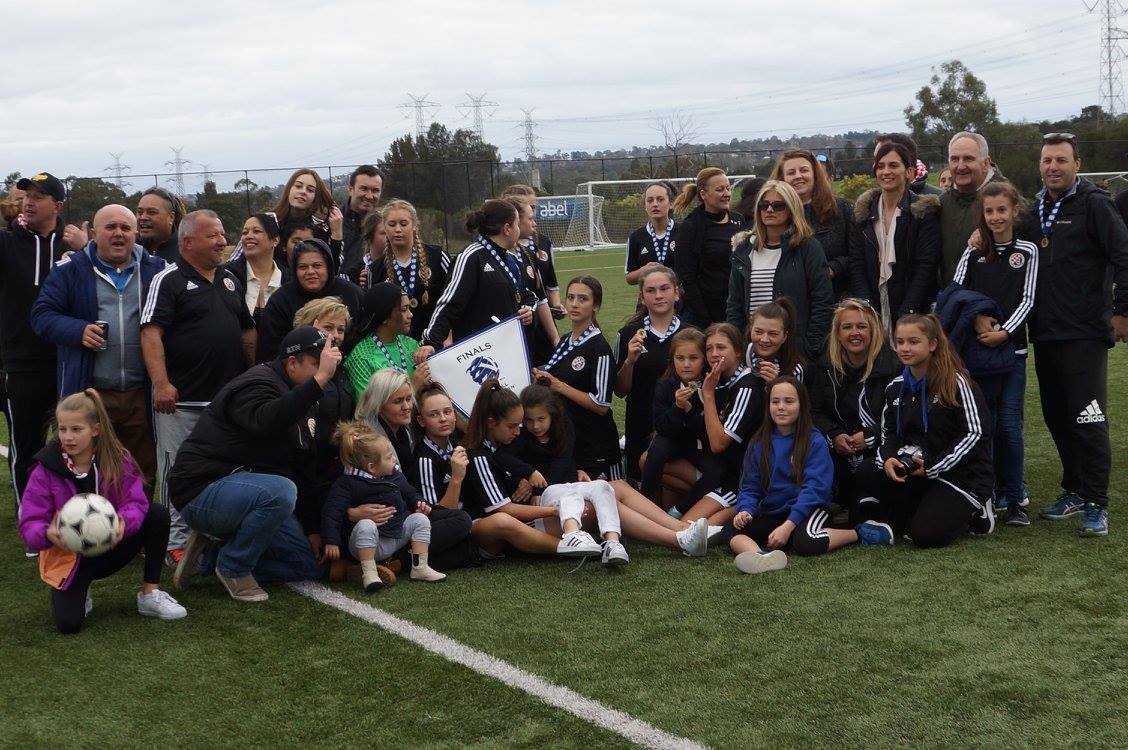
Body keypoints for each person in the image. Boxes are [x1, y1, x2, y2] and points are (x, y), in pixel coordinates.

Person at [168, 327, 339, 601]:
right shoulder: (256, 383)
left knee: (306, 564)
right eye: (317, 365)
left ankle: (211, 556)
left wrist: (312, 529)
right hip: (201, 488)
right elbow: (265, 420)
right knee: (281, 492)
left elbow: (303, 465)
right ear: (292, 363)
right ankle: (234, 567)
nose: (324, 372)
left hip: (249, 490)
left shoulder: (304, 395)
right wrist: (317, 383)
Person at [18, 390, 186, 634]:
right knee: (68, 625)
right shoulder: (45, 470)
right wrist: (47, 533)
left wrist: (123, 523)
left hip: (113, 546)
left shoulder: (117, 459)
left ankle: (150, 594)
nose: (68, 437)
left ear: (95, 430)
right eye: (63, 429)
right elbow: (29, 522)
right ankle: (81, 588)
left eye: (76, 429)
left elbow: (136, 503)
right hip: (71, 557)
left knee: (156, 514)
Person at [141, 210, 257, 563]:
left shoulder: (230, 279)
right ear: (188, 242)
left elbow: (246, 329)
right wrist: (161, 383)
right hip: (181, 402)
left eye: (222, 234)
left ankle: (214, 536)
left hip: (225, 404)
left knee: (226, 468)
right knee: (176, 470)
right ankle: (174, 542)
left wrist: (252, 376)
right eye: (214, 236)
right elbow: (150, 332)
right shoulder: (168, 280)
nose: (223, 242)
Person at [1027, 133, 1128, 536]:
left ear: (1077, 165)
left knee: (1089, 417)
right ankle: (1075, 489)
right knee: (1057, 417)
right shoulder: (1035, 208)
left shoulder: (1095, 204)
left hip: (1084, 331)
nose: (1053, 167)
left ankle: (1097, 503)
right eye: (1047, 160)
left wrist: (1122, 311)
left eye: (1061, 160)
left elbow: (1124, 256)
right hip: (1045, 331)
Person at [31, 204, 166, 489]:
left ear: (135, 234)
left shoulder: (157, 270)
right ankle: (91, 518)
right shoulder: (69, 270)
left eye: (126, 228)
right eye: (110, 227)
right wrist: (77, 330)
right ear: (94, 233)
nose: (118, 233)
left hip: (141, 394)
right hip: (91, 392)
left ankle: (135, 518)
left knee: (142, 474)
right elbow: (41, 316)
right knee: (87, 473)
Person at [948, 181, 1037, 526]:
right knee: (983, 425)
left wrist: (1005, 332)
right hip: (977, 353)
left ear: (1014, 210)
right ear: (982, 215)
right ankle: (987, 492)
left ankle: (1016, 497)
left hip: (1012, 352)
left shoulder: (1027, 251)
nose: (996, 217)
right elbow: (955, 292)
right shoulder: (973, 251)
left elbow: (1028, 299)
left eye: (1002, 210)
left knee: (1009, 426)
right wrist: (976, 320)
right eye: (989, 211)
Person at [725, 377, 880, 575]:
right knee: (730, 530)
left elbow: (815, 490)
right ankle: (761, 557)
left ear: (802, 405)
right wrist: (745, 510)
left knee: (806, 542)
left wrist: (788, 526)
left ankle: (859, 532)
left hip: (809, 509)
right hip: (774, 511)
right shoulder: (758, 442)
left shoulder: (814, 441)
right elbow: (750, 487)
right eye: (775, 401)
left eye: (789, 401)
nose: (781, 407)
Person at [865, 314, 994, 548]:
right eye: (900, 342)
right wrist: (889, 459)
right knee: (868, 472)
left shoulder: (956, 383)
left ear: (932, 344)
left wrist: (933, 466)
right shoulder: (895, 387)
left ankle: (978, 507)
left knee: (925, 536)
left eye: (913, 342)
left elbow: (975, 434)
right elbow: (888, 432)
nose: (905, 348)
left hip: (961, 475)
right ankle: (924, 506)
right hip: (918, 471)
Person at [1, 172, 86, 530]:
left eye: (38, 196)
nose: (29, 202)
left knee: (76, 443)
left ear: (58, 205)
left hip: (71, 362)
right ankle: (32, 523)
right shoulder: (7, 243)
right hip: (22, 364)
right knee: (27, 446)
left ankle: (76, 516)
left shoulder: (76, 246)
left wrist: (84, 249)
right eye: (25, 196)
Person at [459, 380, 608, 559]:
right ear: (491, 423)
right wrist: (554, 510)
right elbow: (502, 509)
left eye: (519, 425)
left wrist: (526, 478)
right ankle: (571, 547)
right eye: (512, 426)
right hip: (490, 529)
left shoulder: (501, 446)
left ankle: (605, 540)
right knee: (503, 521)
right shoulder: (479, 456)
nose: (518, 432)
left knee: (599, 499)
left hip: (521, 517)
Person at [354, 370, 476, 570]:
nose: (406, 406)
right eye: (398, 401)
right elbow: (349, 486)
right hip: (384, 523)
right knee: (461, 523)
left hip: (406, 512)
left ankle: (397, 563)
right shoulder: (367, 439)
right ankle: (395, 559)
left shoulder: (403, 429)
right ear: (380, 404)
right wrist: (352, 512)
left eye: (408, 399)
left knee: (466, 547)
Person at [322, 421, 447, 592]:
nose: (394, 459)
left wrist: (419, 503)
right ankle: (369, 573)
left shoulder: (394, 475)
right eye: (389, 457)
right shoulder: (347, 483)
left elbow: (410, 492)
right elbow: (332, 512)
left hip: (395, 535)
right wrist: (331, 541)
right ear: (372, 467)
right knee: (366, 525)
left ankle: (420, 567)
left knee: (420, 519)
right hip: (366, 544)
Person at [809, 298, 899, 523]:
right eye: (847, 327)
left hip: (880, 448)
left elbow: (902, 416)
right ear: (838, 334)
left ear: (874, 331)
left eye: (861, 326)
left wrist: (870, 435)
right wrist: (834, 434)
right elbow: (815, 411)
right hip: (840, 448)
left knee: (867, 478)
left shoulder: (894, 366)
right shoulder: (825, 368)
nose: (854, 333)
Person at [725, 179, 833, 360]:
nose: (769, 210)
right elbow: (734, 304)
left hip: (795, 351)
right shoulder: (744, 249)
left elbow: (823, 301)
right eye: (764, 205)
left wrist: (809, 347)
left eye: (778, 206)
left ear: (791, 209)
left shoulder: (808, 248)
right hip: (752, 350)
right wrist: (739, 346)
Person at [419, 199, 539, 355]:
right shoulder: (471, 257)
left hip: (510, 352)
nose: (518, 229)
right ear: (507, 228)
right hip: (479, 355)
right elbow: (449, 304)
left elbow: (528, 296)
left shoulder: (512, 260)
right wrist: (431, 341)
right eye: (517, 224)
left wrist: (529, 310)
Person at [531, 276, 621, 481]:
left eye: (583, 299)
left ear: (595, 305)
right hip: (570, 440)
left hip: (596, 444)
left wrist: (559, 386)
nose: (574, 304)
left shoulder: (599, 348)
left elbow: (601, 404)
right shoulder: (565, 340)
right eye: (571, 297)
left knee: (610, 495)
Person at [849, 142, 941, 338]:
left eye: (893, 165)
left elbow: (926, 265)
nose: (886, 172)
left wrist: (908, 310)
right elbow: (857, 263)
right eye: (880, 166)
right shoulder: (862, 214)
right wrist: (866, 306)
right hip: (872, 309)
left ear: (909, 172)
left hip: (912, 311)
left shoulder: (923, 213)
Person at [675, 323, 762, 524]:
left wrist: (708, 394)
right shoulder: (720, 380)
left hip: (740, 478)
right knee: (652, 460)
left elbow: (718, 444)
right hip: (718, 470)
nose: (714, 354)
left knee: (685, 528)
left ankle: (741, 508)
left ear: (738, 351)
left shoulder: (747, 387)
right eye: (709, 348)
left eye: (721, 347)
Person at [291, 297, 356, 547]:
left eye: (340, 329)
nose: (336, 336)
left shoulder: (342, 369)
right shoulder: (298, 369)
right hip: (302, 476)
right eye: (328, 328)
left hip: (334, 473)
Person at [615, 265, 683, 483]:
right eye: (651, 291)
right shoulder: (628, 334)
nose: (658, 295)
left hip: (681, 425)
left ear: (676, 292)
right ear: (642, 298)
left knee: (674, 485)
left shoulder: (691, 333)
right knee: (641, 485)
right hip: (640, 424)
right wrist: (629, 361)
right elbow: (620, 390)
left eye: (664, 288)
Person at [256, 238, 363, 363]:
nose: (310, 272)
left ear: (328, 267)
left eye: (317, 266)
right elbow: (270, 351)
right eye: (303, 267)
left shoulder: (351, 294)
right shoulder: (280, 301)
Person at [770, 149, 853, 298]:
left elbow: (857, 254)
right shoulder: (773, 213)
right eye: (791, 172)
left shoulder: (841, 209)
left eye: (804, 170)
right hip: (790, 301)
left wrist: (832, 269)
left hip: (837, 297)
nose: (798, 176)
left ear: (815, 174)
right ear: (782, 179)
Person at [640, 328, 707, 506]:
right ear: (672, 360)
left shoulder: (712, 386)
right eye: (680, 358)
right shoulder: (665, 385)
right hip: (675, 442)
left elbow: (706, 432)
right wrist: (677, 407)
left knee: (713, 475)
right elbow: (661, 426)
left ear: (704, 359)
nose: (686, 364)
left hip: (701, 449)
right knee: (655, 451)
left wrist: (689, 410)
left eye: (693, 358)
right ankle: (645, 503)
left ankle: (685, 506)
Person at [367, 199, 451, 341]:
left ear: (414, 225)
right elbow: (375, 314)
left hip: (436, 341)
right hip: (398, 346)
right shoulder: (375, 270)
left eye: (403, 224)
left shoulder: (438, 257)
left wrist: (448, 337)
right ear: (385, 228)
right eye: (392, 224)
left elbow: (454, 299)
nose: (398, 230)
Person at [673, 167, 745, 327]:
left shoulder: (739, 220)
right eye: (720, 190)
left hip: (737, 311)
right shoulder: (691, 227)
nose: (727, 193)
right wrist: (706, 320)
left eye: (728, 188)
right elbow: (686, 276)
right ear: (703, 194)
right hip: (705, 317)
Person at [938, 132, 1008, 285]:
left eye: (968, 158)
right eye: (954, 159)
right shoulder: (941, 204)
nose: (960, 166)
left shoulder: (1008, 201)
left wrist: (991, 230)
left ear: (986, 163)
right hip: (949, 295)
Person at [343, 282, 431, 396]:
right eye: (404, 309)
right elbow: (367, 406)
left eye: (409, 308)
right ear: (384, 317)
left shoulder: (411, 344)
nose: (410, 315)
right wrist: (413, 388)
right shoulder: (361, 358)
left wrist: (432, 355)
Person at [506, 192, 560, 362]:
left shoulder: (527, 254)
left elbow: (540, 298)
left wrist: (556, 340)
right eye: (530, 218)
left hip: (532, 336)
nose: (534, 223)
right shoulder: (478, 257)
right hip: (504, 342)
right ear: (515, 222)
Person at [224, 213, 288, 323]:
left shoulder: (289, 279)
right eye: (245, 233)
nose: (248, 236)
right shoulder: (227, 274)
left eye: (256, 231)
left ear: (275, 240)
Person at [624, 181, 678, 285]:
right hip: (649, 294)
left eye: (660, 199)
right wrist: (643, 271)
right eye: (650, 200)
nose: (655, 204)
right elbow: (629, 278)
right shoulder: (635, 237)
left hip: (678, 294)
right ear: (645, 206)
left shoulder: (684, 232)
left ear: (671, 204)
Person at [272, 168, 341, 248]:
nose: (303, 192)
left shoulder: (319, 230)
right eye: (298, 186)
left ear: (315, 197)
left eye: (310, 190)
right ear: (289, 189)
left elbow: (332, 255)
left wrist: (337, 234)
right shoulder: (268, 222)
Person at [341, 165, 383, 276]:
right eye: (364, 189)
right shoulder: (333, 222)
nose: (369, 196)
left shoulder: (387, 224)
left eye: (375, 190)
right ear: (350, 190)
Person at [873, 133, 943, 196]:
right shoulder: (872, 201)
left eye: (893, 165)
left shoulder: (939, 200)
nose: (885, 171)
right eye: (877, 160)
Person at [136, 187, 186, 263]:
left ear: (171, 217)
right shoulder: (130, 249)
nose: (143, 217)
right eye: (140, 212)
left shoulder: (187, 251)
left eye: (151, 212)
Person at [350, 209, 387, 288]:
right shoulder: (355, 272)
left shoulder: (399, 266)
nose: (389, 237)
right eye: (383, 233)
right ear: (369, 237)